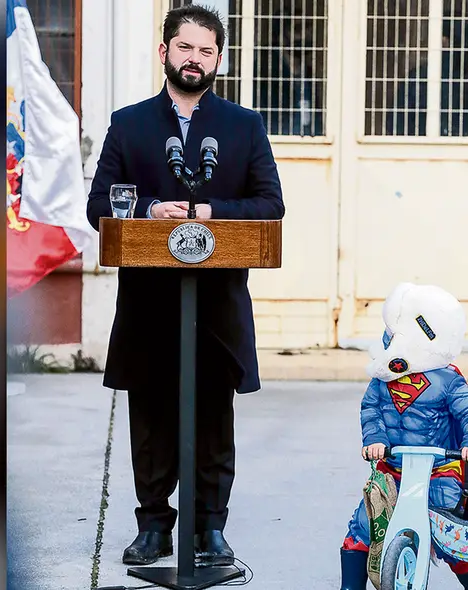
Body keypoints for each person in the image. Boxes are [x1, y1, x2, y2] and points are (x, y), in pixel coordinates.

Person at [85, 5, 284, 568]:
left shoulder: (244, 127)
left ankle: (210, 529)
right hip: (149, 303)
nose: (194, 59)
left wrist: (206, 209)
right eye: (185, 48)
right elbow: (99, 203)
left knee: (214, 418)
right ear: (164, 51)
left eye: (206, 50)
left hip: (217, 304)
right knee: (150, 416)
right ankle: (153, 528)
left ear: (218, 58)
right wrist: (150, 209)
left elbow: (271, 203)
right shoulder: (129, 124)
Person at [338, 283, 468, 590]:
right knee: (362, 528)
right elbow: (370, 408)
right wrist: (374, 439)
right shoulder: (383, 378)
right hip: (393, 471)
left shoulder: (447, 379)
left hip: (438, 472)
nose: (389, 339)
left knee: (451, 537)